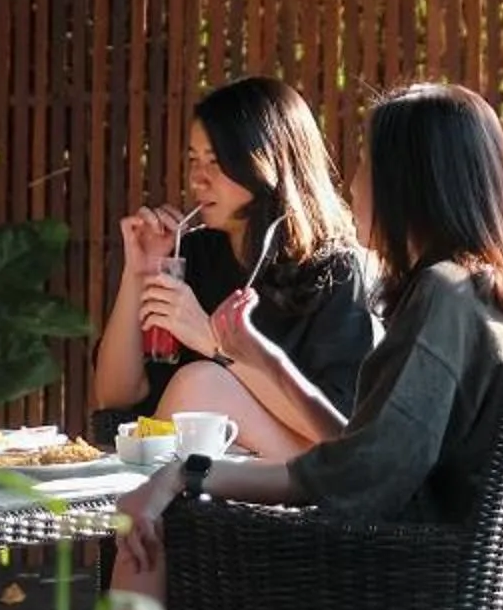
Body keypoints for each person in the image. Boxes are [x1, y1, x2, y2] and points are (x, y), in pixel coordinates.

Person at [95, 82, 503, 610]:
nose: (357, 182)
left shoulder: (440, 297)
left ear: (410, 181)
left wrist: (183, 477)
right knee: (169, 534)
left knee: (162, 537)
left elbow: (360, 478)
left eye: (369, 164)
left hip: (390, 591)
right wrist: (253, 362)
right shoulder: (489, 293)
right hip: (455, 592)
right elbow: (363, 448)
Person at [89, 76, 378, 459]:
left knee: (202, 384)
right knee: (197, 389)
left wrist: (213, 341)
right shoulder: (194, 256)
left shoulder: (335, 270)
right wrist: (138, 273)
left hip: (302, 481)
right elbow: (115, 396)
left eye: (217, 161)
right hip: (206, 474)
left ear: (268, 161)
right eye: (193, 159)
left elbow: (337, 428)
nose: (197, 178)